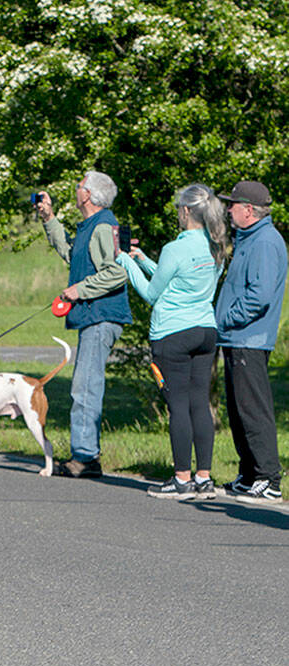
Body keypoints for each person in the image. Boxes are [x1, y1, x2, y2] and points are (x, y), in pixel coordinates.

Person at [117, 185, 225, 499]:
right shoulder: (216, 244)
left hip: (173, 334)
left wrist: (126, 262)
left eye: (180, 207)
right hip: (205, 331)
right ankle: (203, 478)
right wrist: (144, 260)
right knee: (199, 404)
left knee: (177, 406)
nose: (178, 211)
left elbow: (153, 293)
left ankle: (181, 479)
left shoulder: (175, 248)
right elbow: (175, 280)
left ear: (187, 211)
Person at [35, 172, 130, 478]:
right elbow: (69, 251)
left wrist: (79, 289)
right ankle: (85, 453)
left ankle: (86, 457)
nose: (76, 191)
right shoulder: (91, 225)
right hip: (93, 315)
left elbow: (118, 272)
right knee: (84, 384)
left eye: (78, 187)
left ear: (87, 195)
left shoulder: (104, 226)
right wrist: (49, 218)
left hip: (101, 315)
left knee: (86, 386)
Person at [215, 180, 286, 503]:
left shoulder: (265, 242)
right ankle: (249, 474)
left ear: (248, 210)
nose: (228, 210)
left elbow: (259, 296)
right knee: (238, 409)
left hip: (250, 337)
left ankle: (269, 479)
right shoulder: (250, 239)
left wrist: (225, 319)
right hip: (237, 337)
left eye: (232, 205)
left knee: (253, 410)